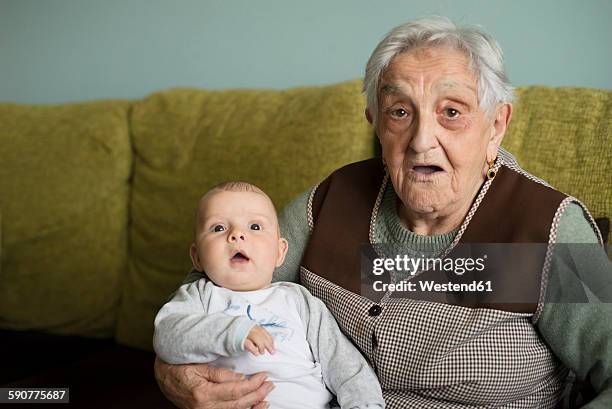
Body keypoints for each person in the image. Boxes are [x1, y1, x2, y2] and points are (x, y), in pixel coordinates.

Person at [154, 17, 612, 408]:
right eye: (399, 112)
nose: (421, 140)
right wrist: (173, 372)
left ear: (496, 125)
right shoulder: (333, 198)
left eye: (451, 111)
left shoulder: (550, 229)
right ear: (375, 123)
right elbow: (220, 281)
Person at [153, 181, 385, 409]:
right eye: (218, 228)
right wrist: (232, 331)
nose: (236, 235)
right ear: (197, 258)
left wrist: (365, 403)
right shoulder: (199, 296)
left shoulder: (299, 301)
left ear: (280, 252)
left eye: (254, 227)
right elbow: (166, 336)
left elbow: (342, 361)